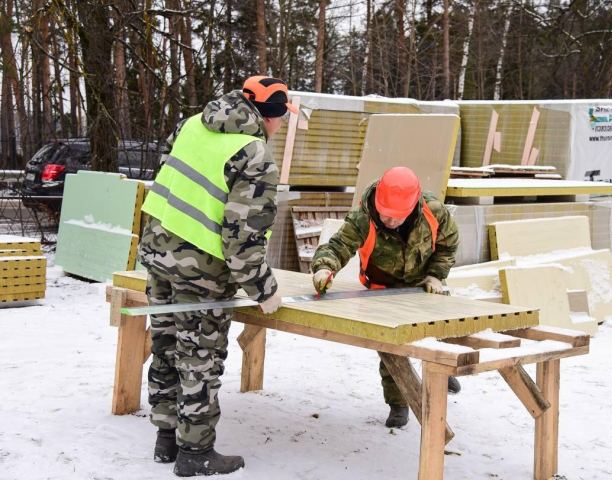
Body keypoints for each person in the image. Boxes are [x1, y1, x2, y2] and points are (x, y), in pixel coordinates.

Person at [137, 76, 297, 477]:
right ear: (272, 116)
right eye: (282, 119)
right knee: (199, 359)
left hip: (158, 252)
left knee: (166, 346)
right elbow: (243, 238)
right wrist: (264, 289)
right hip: (202, 271)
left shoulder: (193, 123)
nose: (280, 127)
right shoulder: (254, 153)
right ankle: (195, 454)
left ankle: (165, 440)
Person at [310, 166, 461, 428]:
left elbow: (449, 244)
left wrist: (436, 275)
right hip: (382, 287)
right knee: (392, 348)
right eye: (386, 215)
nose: (390, 221)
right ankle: (398, 403)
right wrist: (324, 267)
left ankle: (440, 373)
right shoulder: (362, 217)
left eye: (397, 217)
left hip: (423, 283)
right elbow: (338, 246)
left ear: (412, 207)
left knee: (435, 331)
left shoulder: (433, 211)